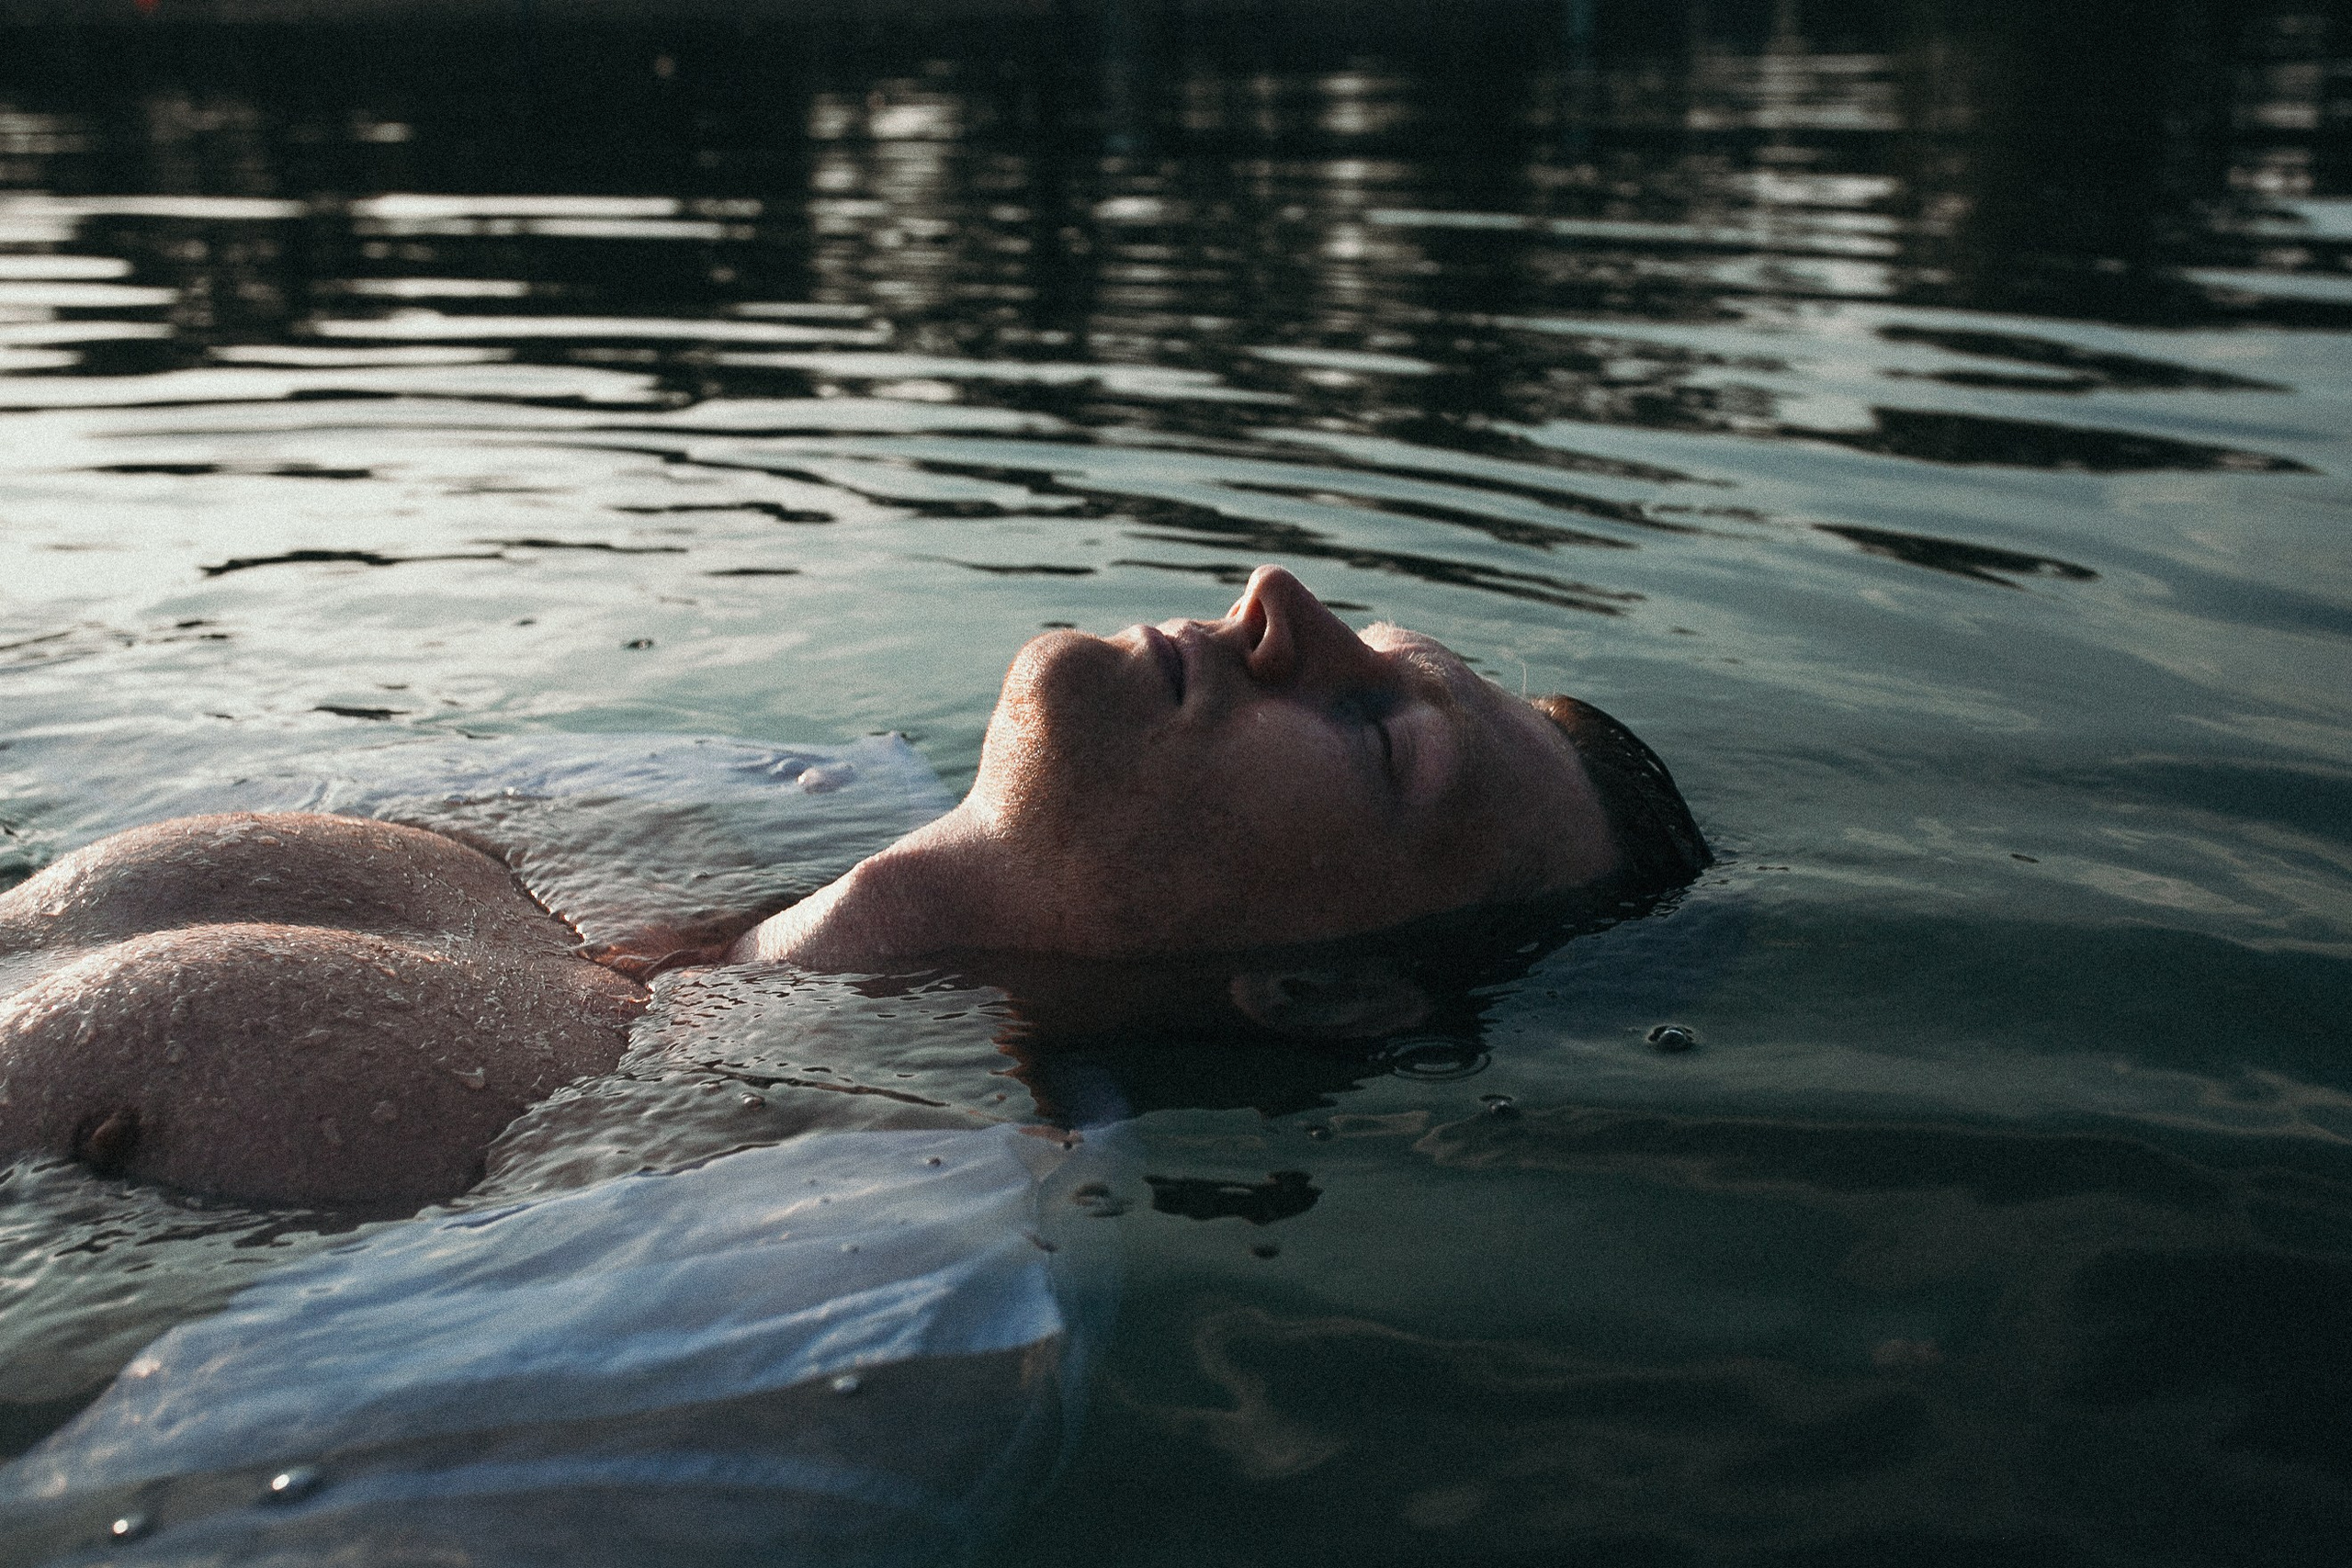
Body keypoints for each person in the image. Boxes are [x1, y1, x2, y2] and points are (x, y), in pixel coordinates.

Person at [0, 567, 1706, 1207]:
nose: (1283, 602)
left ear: (1327, 991)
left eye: (1374, 730)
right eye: (1372, 641)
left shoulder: (793, 1237)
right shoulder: (597, 839)